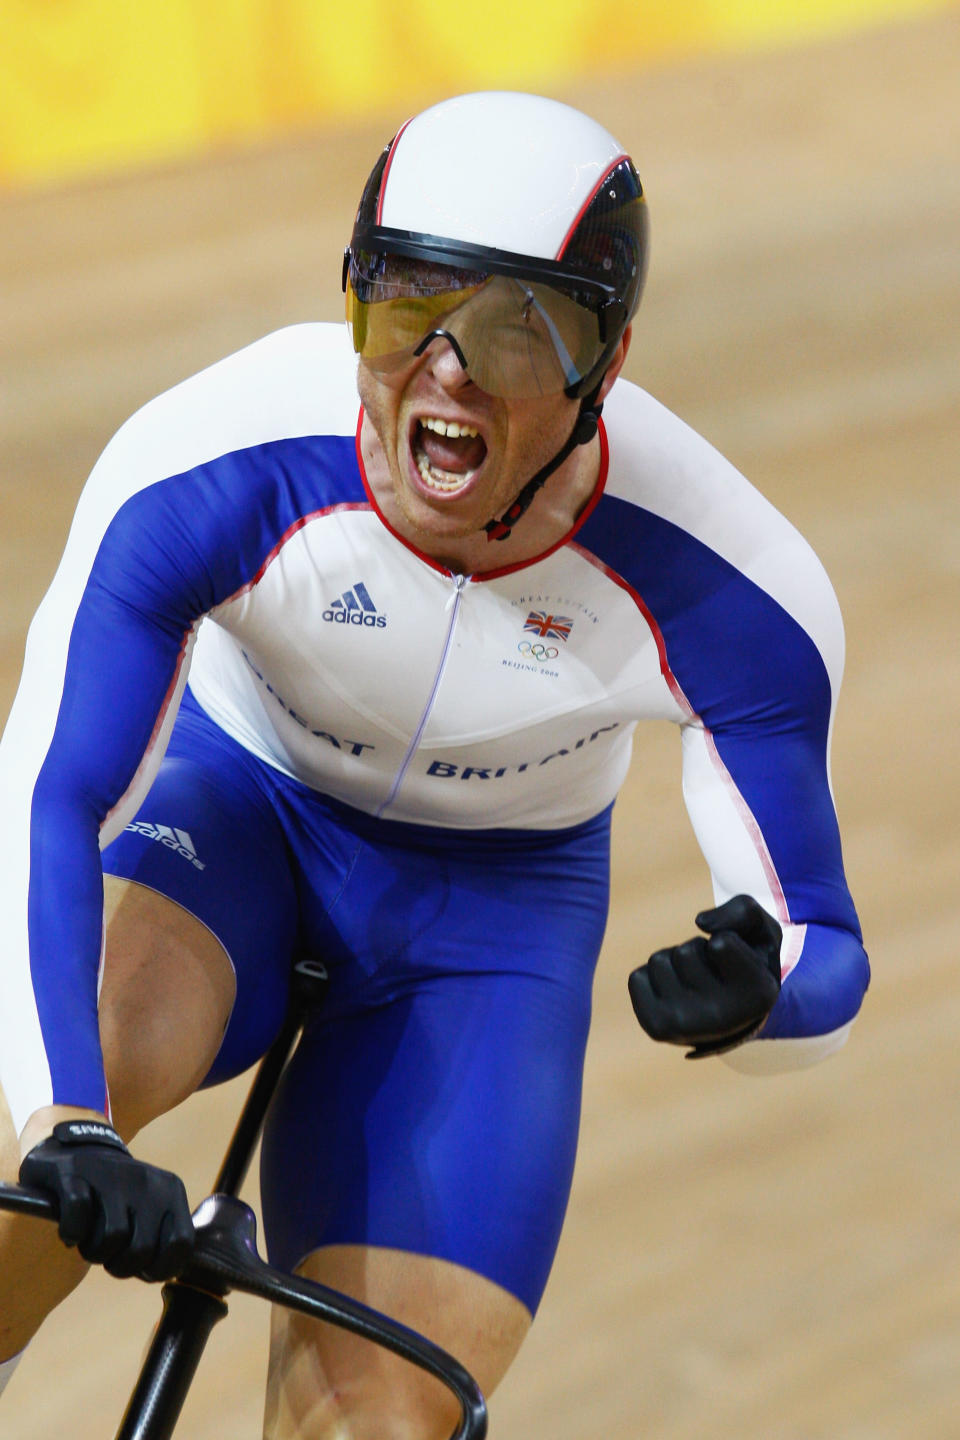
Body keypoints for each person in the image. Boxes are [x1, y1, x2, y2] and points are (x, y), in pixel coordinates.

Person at [0, 90, 869, 1436]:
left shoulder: (728, 584)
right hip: (246, 813)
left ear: (608, 363)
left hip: (490, 925)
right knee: (56, 1117)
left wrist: (755, 994)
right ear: (354, 301)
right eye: (412, 310)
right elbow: (48, 799)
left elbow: (822, 946)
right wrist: (67, 1126)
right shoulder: (214, 461)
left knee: (378, 1424)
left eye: (523, 333)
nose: (452, 372)